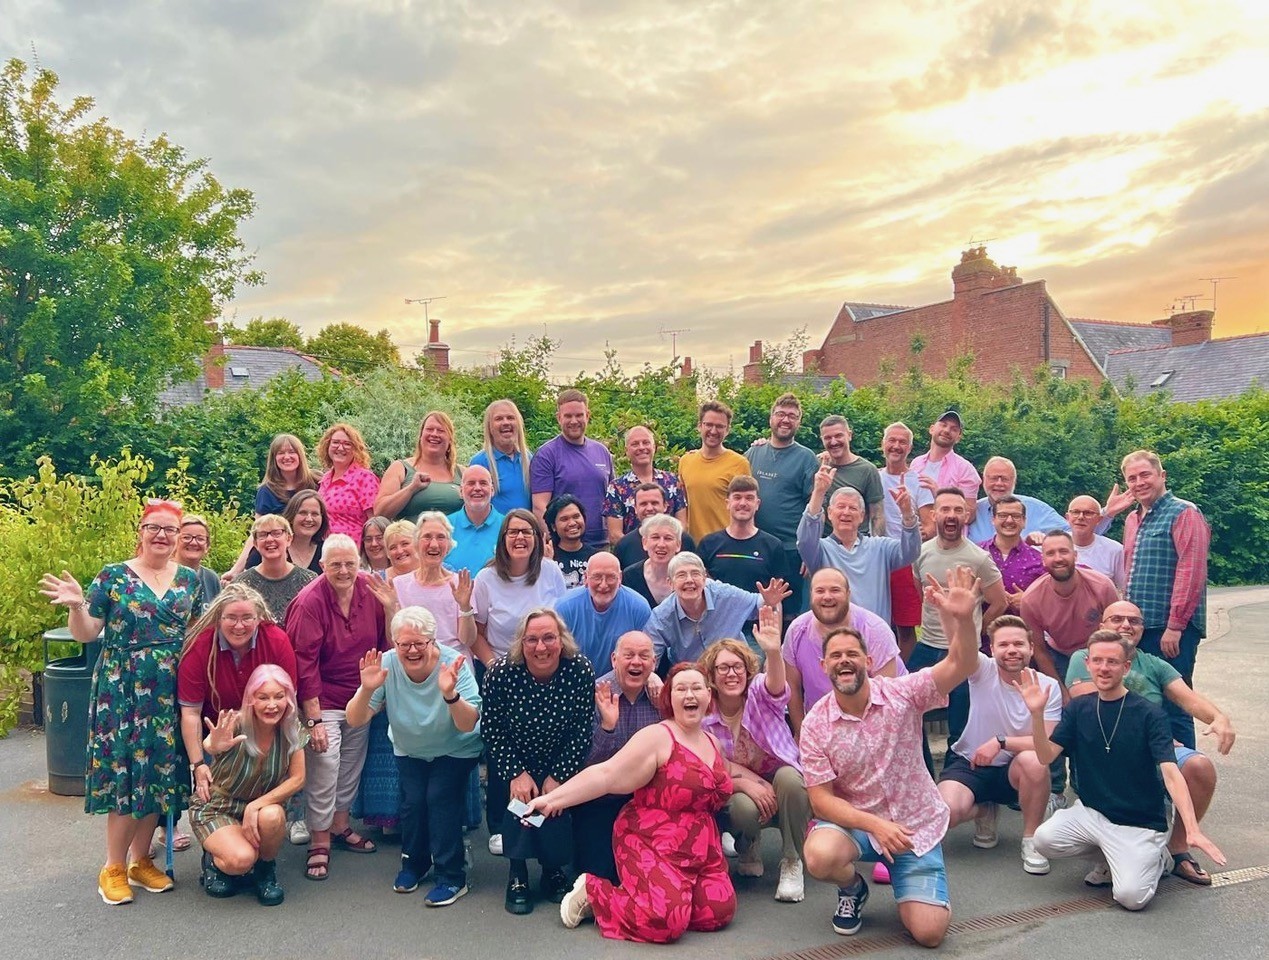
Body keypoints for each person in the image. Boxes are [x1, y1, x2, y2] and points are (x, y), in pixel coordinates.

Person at [799, 567, 982, 946]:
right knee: (819, 855)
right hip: (860, 826)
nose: (844, 661)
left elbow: (961, 665)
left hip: (916, 827)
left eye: (852, 654)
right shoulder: (816, 723)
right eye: (835, 656)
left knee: (930, 934)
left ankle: (913, 879)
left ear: (868, 661)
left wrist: (962, 619)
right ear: (823, 667)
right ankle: (852, 888)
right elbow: (820, 799)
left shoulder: (903, 692)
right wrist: (875, 826)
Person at [40, 499, 200, 905]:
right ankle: (112, 866)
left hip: (170, 689)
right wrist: (78, 605)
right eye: (154, 527)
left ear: (179, 537)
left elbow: (198, 634)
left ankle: (140, 861)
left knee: (160, 775)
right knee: (128, 776)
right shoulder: (113, 576)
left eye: (170, 530)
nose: (162, 535)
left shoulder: (189, 581)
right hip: (122, 689)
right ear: (141, 531)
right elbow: (87, 633)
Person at [526, 663, 737, 943]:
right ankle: (596, 892)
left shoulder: (713, 742)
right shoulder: (658, 737)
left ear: (709, 696)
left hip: (701, 848)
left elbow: (727, 775)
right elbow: (606, 774)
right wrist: (552, 799)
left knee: (718, 911)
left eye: (697, 688)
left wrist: (761, 784)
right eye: (681, 688)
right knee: (666, 922)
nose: (690, 695)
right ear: (669, 698)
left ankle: (662, 899)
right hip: (653, 840)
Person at [1024, 633, 1225, 910]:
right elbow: (1046, 755)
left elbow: (1170, 771)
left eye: (1112, 661)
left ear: (1126, 667)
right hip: (1093, 813)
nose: (1104, 668)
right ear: (1088, 664)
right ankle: (1110, 859)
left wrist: (1191, 828)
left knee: (1131, 898)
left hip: (1139, 821)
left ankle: (1159, 858)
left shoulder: (1149, 714)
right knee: (1044, 841)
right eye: (1097, 661)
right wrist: (1036, 715)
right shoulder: (1079, 708)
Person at [1067, 601, 1236, 886]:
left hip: (1155, 751)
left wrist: (1218, 717)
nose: (1126, 625)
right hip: (1107, 757)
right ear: (1102, 626)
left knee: (1199, 766)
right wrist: (1153, 735)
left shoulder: (1154, 664)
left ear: (1142, 630)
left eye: (1134, 621)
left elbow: (1189, 699)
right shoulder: (1086, 659)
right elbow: (1093, 709)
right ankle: (1113, 855)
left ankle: (1178, 848)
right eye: (1117, 618)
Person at [345, 606, 483, 906]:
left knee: (439, 798)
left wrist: (450, 694)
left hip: (456, 747)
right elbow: (356, 719)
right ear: (394, 643)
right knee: (413, 802)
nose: (411, 650)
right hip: (410, 748)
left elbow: (468, 722)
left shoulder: (452, 664)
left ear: (433, 641)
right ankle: (414, 864)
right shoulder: (387, 664)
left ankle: (452, 877)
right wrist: (366, 690)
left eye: (420, 643)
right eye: (403, 644)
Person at [285, 533, 395, 881]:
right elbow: (303, 663)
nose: (345, 570)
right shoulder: (309, 602)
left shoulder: (369, 589)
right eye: (336, 565)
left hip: (360, 692)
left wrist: (375, 693)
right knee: (326, 762)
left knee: (351, 762)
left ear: (359, 563)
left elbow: (386, 642)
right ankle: (319, 838)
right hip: (322, 697)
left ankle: (340, 824)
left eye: (351, 563)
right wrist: (313, 719)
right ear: (322, 566)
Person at [481, 609, 595, 915]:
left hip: (560, 756)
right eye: (532, 639)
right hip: (515, 756)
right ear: (522, 642)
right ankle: (517, 873)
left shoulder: (580, 670)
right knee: (519, 808)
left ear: (561, 640)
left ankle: (551, 870)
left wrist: (558, 775)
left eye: (548, 638)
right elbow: (491, 727)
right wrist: (515, 773)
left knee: (554, 810)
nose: (541, 647)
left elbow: (584, 728)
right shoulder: (501, 672)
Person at [702, 608, 811, 903]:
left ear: (748, 671)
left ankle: (792, 861)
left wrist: (773, 652)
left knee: (791, 779)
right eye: (723, 668)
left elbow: (777, 686)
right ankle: (748, 842)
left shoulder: (760, 694)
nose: (731, 674)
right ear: (711, 677)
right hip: (739, 784)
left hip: (778, 776)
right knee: (741, 808)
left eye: (737, 667)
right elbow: (714, 764)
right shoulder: (704, 713)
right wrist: (748, 783)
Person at [935, 616, 1059, 875]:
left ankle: (1031, 839)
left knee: (1036, 761)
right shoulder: (983, 670)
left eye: (1018, 644)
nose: (1011, 650)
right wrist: (954, 614)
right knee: (947, 812)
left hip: (1015, 770)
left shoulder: (1048, 687)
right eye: (1003, 645)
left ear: (1031, 648)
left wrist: (1002, 742)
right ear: (991, 650)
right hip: (970, 762)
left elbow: (1045, 743)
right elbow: (960, 646)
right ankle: (984, 809)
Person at [1112, 450, 1211, 748]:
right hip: (1138, 627)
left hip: (1170, 630)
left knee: (1176, 702)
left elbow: (1191, 570)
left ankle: (1185, 776)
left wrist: (1176, 625)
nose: (1139, 482)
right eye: (1132, 478)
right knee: (1143, 699)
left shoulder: (1184, 513)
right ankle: (1153, 775)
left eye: (1145, 475)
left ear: (1162, 476)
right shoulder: (1132, 519)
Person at [1019, 530, 1121, 811]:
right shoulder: (1032, 598)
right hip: (1059, 656)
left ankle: (1087, 785)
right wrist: (1060, 690)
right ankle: (1054, 787)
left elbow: (1116, 632)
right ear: (1043, 560)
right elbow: (1038, 649)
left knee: (1092, 717)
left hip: (1096, 652)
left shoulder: (1101, 586)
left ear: (1075, 555)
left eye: (1063, 551)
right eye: (1050, 553)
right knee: (1056, 715)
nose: (1058, 558)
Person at [191, 665, 305, 906]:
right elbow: (211, 743)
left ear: (289, 698)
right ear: (251, 698)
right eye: (263, 697)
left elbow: (298, 778)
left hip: (259, 806)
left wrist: (256, 806)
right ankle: (214, 863)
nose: (271, 705)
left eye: (279, 696)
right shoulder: (236, 722)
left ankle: (265, 871)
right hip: (218, 805)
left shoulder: (292, 728)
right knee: (241, 860)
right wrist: (214, 746)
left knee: (273, 815)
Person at [910, 488, 1007, 757]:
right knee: (904, 709)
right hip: (928, 646)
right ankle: (923, 771)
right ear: (934, 514)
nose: (951, 515)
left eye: (957, 510)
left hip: (965, 653)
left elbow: (999, 602)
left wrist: (973, 629)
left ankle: (958, 776)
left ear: (966, 516)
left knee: (961, 723)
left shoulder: (979, 558)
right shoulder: (920, 552)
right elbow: (923, 596)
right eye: (945, 509)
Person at [572, 631, 663, 883]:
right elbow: (582, 764)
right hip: (602, 798)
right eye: (629, 655)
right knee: (601, 875)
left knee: (649, 875)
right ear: (614, 659)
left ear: (654, 663)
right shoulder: (594, 694)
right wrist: (607, 728)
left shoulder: (663, 697)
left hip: (648, 801)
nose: (636, 662)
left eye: (644, 656)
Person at [783, 568, 905, 736]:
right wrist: (801, 733)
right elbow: (792, 688)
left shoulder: (874, 630)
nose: (827, 597)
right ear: (810, 595)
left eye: (835, 590)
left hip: (879, 724)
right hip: (822, 726)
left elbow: (886, 696)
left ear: (848, 594)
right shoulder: (797, 630)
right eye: (820, 591)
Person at [797, 463, 920, 622]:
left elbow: (911, 552)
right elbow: (805, 539)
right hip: (833, 637)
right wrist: (819, 492)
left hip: (874, 636)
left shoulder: (880, 548)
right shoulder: (820, 551)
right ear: (829, 513)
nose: (846, 512)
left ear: (862, 516)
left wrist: (907, 513)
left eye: (853, 508)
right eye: (841, 507)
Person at [643, 552, 790, 666]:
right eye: (681, 575)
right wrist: (651, 677)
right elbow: (648, 656)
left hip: (736, 668)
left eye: (695, 574)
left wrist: (769, 602)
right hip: (694, 678)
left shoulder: (723, 593)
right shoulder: (662, 616)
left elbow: (757, 603)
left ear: (705, 578)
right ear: (670, 583)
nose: (689, 580)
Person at [744, 394, 819, 614]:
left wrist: (811, 549)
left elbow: (814, 506)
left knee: (790, 613)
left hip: (791, 551)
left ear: (799, 422)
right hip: (756, 547)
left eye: (792, 416)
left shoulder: (806, 458)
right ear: (771, 418)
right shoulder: (752, 454)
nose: (785, 420)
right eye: (780, 414)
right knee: (757, 610)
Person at [471, 509, 568, 666]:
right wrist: (493, 667)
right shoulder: (486, 578)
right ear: (503, 539)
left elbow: (563, 623)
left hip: (545, 663)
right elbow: (476, 633)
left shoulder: (551, 570)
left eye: (526, 532)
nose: (520, 537)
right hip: (502, 665)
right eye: (513, 532)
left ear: (537, 538)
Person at [223, 433, 319, 581]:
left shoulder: (316, 483)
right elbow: (257, 531)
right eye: (281, 453)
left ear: (300, 455)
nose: (287, 456)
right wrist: (236, 569)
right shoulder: (267, 490)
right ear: (274, 459)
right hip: (278, 553)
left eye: (292, 452)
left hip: (310, 551)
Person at [531, 389, 615, 550]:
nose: (574, 421)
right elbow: (540, 506)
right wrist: (554, 543)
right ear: (559, 418)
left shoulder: (602, 452)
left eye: (579, 415)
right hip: (565, 547)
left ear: (588, 415)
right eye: (568, 416)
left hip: (601, 544)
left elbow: (612, 501)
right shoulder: (546, 455)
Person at [878, 422, 935, 659]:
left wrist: (911, 534)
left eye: (902, 442)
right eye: (892, 440)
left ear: (910, 448)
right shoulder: (872, 476)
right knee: (875, 620)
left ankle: (903, 678)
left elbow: (930, 525)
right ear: (883, 444)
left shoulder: (918, 481)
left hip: (905, 562)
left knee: (905, 627)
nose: (896, 446)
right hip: (877, 558)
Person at [393, 512, 477, 654]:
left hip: (453, 663)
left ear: (449, 545)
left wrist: (465, 606)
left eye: (441, 537)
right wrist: (389, 607)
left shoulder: (460, 584)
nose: (434, 544)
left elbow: (467, 640)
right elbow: (395, 639)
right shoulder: (399, 585)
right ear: (416, 543)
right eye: (427, 537)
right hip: (414, 660)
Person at [697, 475, 788, 603]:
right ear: (727, 503)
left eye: (749, 498)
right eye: (737, 497)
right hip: (717, 621)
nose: (743, 503)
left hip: (757, 621)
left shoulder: (773, 546)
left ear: (757, 504)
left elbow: (775, 599)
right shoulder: (708, 544)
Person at [554, 554, 652, 667]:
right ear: (585, 578)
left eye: (611, 577)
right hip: (575, 679)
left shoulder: (639, 608)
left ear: (620, 578)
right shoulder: (565, 607)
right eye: (597, 577)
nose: (604, 584)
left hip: (621, 679)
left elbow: (645, 657)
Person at [678, 400, 752, 542]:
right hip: (695, 547)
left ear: (727, 430)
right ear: (699, 426)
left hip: (726, 545)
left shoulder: (739, 463)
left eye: (719, 426)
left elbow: (747, 509)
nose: (713, 431)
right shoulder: (686, 461)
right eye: (709, 425)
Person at [375, 411, 465, 521]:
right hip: (410, 536)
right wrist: (412, 488)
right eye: (429, 429)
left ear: (450, 439)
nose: (434, 434)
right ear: (420, 436)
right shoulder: (400, 468)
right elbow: (380, 512)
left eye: (441, 431)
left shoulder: (463, 473)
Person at [603, 426, 688, 541]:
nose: (641, 447)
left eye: (646, 442)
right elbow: (615, 534)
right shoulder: (617, 487)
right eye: (635, 444)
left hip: (669, 552)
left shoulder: (672, 481)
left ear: (654, 447)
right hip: (632, 555)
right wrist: (642, 548)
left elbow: (682, 526)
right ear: (626, 450)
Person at [235, 515, 319, 623]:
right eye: (262, 535)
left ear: (289, 539)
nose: (269, 539)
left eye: (277, 533)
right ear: (255, 544)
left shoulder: (310, 580)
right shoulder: (242, 584)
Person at [966, 457, 1069, 543]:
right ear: (984, 480)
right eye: (994, 478)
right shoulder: (973, 511)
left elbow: (1069, 533)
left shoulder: (1036, 508)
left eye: (1005, 479)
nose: (999, 483)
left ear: (1014, 482)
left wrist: (1043, 542)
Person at [817, 414, 885, 535]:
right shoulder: (818, 466)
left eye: (838, 436)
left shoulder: (867, 470)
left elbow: (877, 516)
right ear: (822, 439)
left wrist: (877, 549)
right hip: (824, 545)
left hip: (857, 545)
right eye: (828, 438)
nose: (833, 442)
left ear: (849, 435)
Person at [976, 496, 1045, 615]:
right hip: (978, 631)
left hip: (1022, 630)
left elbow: (1052, 598)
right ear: (993, 520)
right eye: (1002, 515)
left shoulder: (1039, 560)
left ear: (1024, 521)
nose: (1009, 520)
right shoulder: (976, 552)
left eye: (1016, 516)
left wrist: (1029, 600)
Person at [910, 411, 981, 523]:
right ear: (931, 429)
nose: (947, 431)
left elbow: (970, 515)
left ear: (958, 437)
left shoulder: (966, 470)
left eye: (954, 429)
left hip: (948, 538)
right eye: (943, 425)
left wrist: (940, 493)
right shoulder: (916, 463)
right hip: (915, 534)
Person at [316, 423, 380, 546]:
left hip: (354, 551)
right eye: (335, 442)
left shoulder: (365, 478)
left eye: (347, 444)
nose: (340, 448)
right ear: (327, 446)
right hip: (327, 551)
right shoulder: (325, 479)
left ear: (356, 449)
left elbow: (375, 522)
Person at [611, 482, 697, 568]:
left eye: (654, 503)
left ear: (665, 506)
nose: (649, 508)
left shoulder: (684, 540)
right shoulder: (624, 545)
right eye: (643, 504)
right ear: (635, 508)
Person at [471, 399, 533, 513]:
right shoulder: (480, 462)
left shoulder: (529, 459)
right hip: (496, 530)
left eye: (510, 418)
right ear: (490, 427)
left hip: (525, 529)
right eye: (499, 419)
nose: (506, 422)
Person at [444, 464, 504, 575]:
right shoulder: (444, 526)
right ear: (461, 491)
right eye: (471, 483)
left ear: (492, 490)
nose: (477, 488)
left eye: (483, 483)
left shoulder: (507, 527)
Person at [258, 489, 328, 575]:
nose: (309, 519)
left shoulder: (327, 552)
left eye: (315, 514)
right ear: (291, 516)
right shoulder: (270, 546)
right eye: (303, 513)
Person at [1066, 495, 1126, 592]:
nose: (1081, 517)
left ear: (1099, 519)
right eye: (1076, 512)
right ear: (1067, 517)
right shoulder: (1054, 545)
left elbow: (1125, 588)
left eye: (1088, 513)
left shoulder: (1115, 550)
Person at [545, 494, 597, 588]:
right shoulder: (546, 556)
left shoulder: (596, 557)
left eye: (576, 516)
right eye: (564, 519)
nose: (572, 523)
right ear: (553, 526)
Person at [178, 515, 221, 614]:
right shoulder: (164, 575)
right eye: (186, 537)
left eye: (200, 539)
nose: (193, 542)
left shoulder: (211, 579)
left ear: (207, 546)